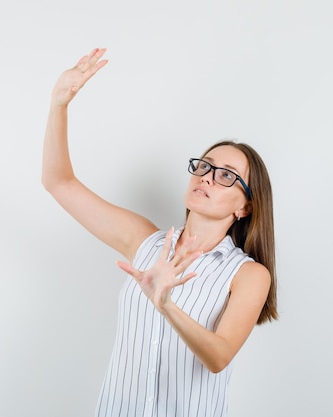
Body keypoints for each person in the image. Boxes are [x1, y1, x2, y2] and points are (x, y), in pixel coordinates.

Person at [41, 48, 278, 417]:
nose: (207, 177)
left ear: (244, 206)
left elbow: (218, 357)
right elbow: (59, 183)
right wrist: (59, 104)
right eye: (204, 166)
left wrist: (165, 303)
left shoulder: (248, 275)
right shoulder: (144, 240)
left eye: (226, 176)